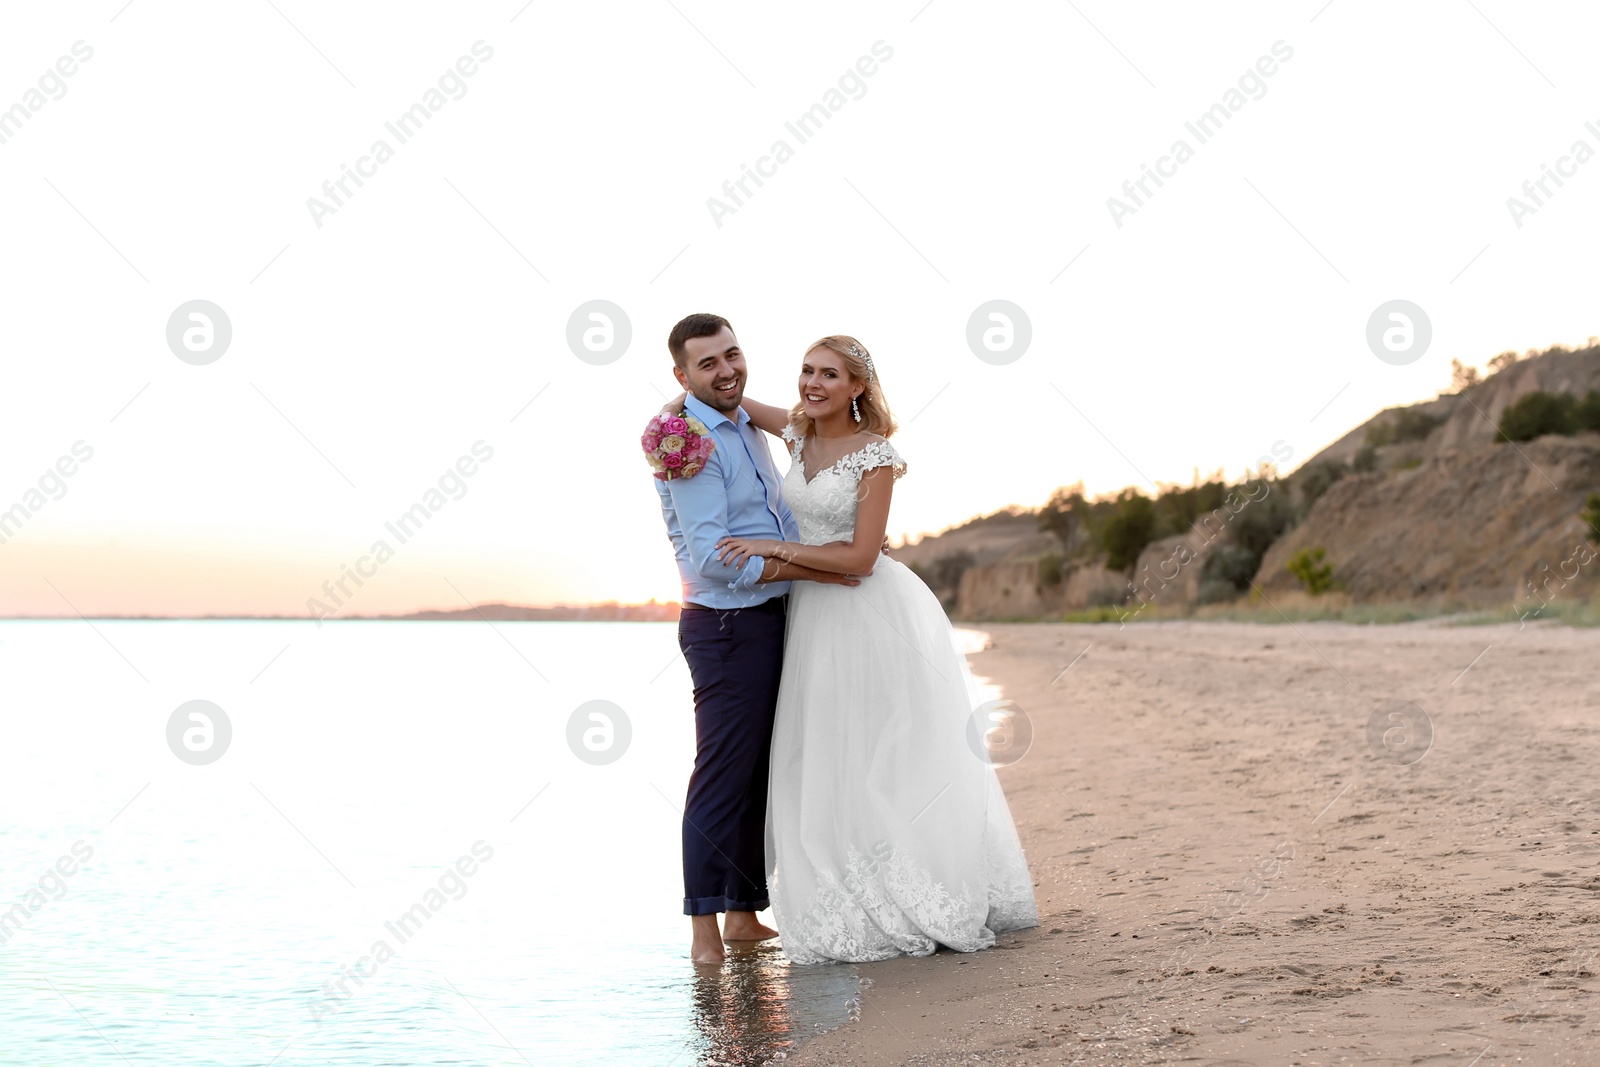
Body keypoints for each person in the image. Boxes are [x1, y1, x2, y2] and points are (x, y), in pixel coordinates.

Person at [714, 335, 1039, 963]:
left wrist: (767, 547)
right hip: (812, 612)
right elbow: (729, 399)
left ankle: (909, 885)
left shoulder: (876, 456)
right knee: (825, 749)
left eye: (830, 375)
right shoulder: (798, 433)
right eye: (807, 371)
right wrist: (678, 400)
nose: (813, 384)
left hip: (868, 614)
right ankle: (843, 885)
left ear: (858, 387)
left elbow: (862, 557)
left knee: (879, 752)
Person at [651, 313, 862, 964]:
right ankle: (703, 933)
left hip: (771, 617)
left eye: (732, 354)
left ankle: (743, 914)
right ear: (682, 375)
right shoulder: (688, 440)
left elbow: (770, 515)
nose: (726, 369)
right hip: (725, 625)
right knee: (720, 774)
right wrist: (812, 562)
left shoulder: (743, 422)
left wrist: (822, 552)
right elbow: (715, 557)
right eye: (708, 363)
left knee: (759, 772)